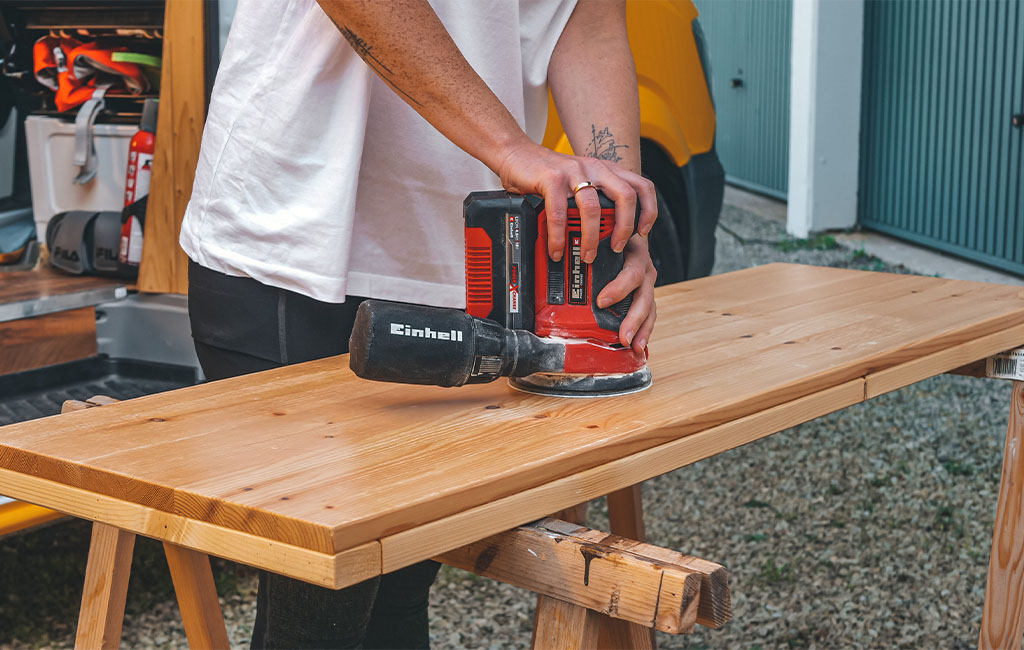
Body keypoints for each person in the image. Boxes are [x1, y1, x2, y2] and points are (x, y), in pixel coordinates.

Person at [180, 0, 658, 647]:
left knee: (403, 583)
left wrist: (618, 215)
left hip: (458, 254)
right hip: (295, 241)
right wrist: (511, 147)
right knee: (321, 608)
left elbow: (588, 19)